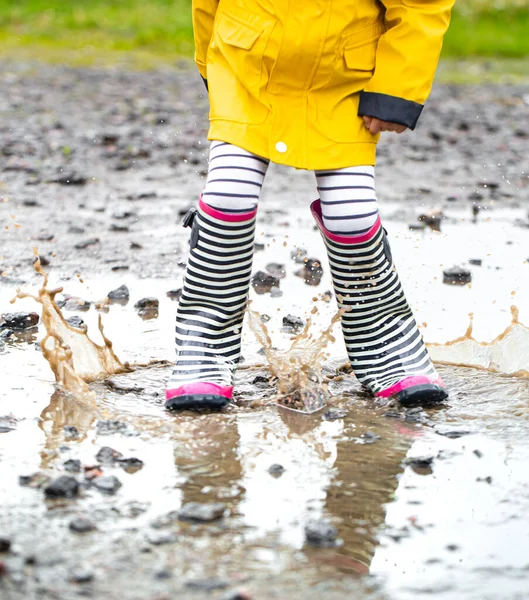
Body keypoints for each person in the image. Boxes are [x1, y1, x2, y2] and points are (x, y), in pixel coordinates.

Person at [165, 0, 455, 410]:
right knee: (228, 194)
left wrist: (397, 87)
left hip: (342, 78)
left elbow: (422, 5)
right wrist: (209, 61)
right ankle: (204, 344)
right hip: (246, 64)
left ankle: (385, 339)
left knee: (352, 216)